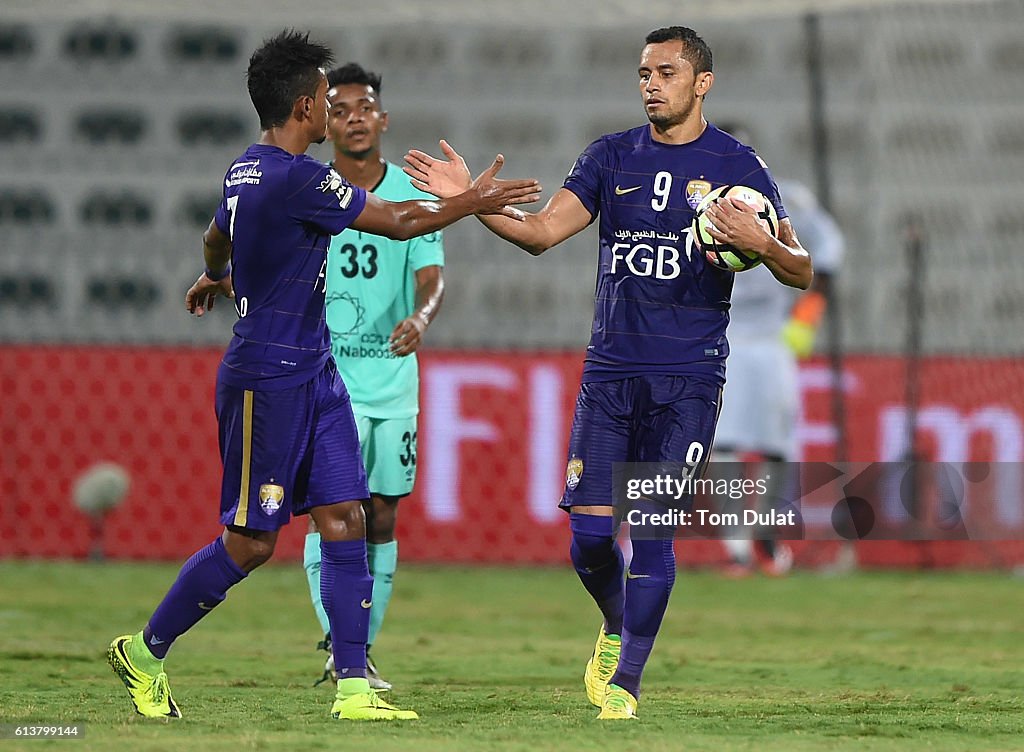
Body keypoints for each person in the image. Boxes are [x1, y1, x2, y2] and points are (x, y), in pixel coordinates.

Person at [106, 30, 539, 723]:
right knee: (251, 542)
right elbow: (398, 221)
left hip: (316, 370)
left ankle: (354, 688)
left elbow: (217, 237)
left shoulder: (243, 171)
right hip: (266, 379)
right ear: (307, 105)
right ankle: (146, 650)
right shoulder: (298, 176)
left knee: (346, 516)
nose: (332, 110)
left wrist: (217, 276)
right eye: (324, 98)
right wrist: (476, 201)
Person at [404, 26, 812, 720]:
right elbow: (539, 234)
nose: (651, 82)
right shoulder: (610, 155)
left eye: (667, 71)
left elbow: (800, 270)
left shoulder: (740, 168)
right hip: (611, 375)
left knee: (652, 529)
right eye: (644, 73)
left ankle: (625, 686)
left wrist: (764, 242)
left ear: (701, 82)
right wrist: (470, 203)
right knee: (591, 539)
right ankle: (617, 624)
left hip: (687, 380)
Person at [303, 62, 446, 691]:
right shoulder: (311, 189)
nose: (354, 117)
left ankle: (357, 648)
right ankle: (343, 646)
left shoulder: (409, 195)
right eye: (340, 108)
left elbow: (432, 277)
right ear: (324, 120)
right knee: (334, 512)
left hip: (392, 381)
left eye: (364, 107)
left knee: (382, 516)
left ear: (382, 120)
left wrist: (421, 316)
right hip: (328, 380)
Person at [710, 123, 846, 577]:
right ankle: (736, 550)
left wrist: (806, 319)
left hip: (770, 340)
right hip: (715, 339)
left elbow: (828, 248)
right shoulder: (688, 204)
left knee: (775, 444)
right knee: (722, 446)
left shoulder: (784, 200)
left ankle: (766, 535)